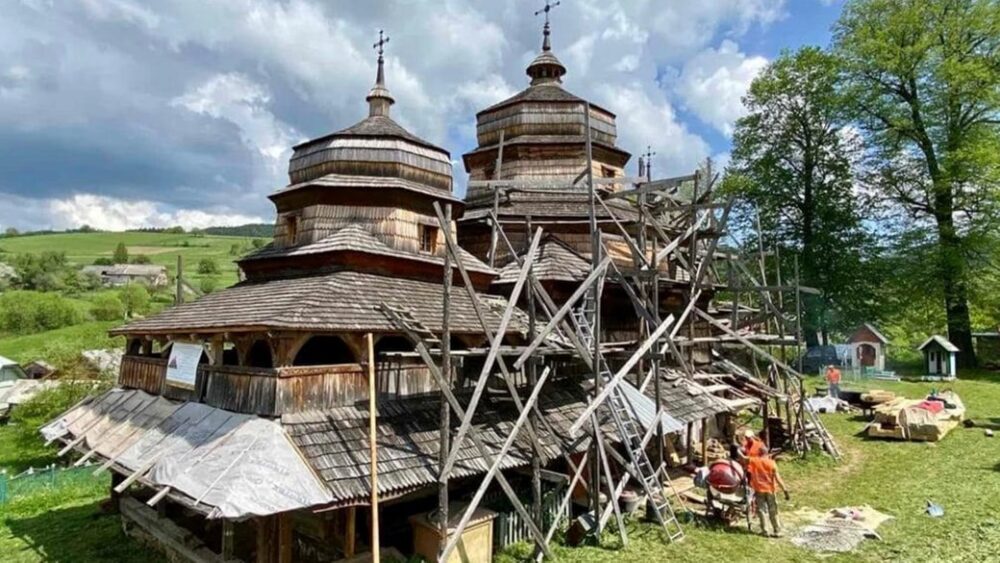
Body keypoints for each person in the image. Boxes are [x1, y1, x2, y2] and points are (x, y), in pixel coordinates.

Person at [747, 454, 790, 537]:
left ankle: (765, 530)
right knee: (773, 510)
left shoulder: (755, 461)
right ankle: (777, 530)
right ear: (767, 454)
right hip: (771, 490)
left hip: (759, 489)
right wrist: (785, 490)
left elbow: (744, 459)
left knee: (761, 510)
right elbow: (778, 478)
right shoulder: (772, 463)